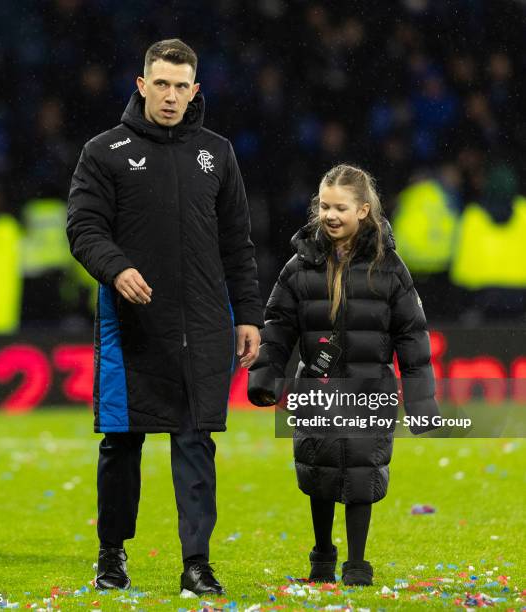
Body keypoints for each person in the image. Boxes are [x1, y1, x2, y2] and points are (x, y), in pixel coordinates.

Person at [67, 39, 263, 596]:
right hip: (132, 323)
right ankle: (112, 554)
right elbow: (84, 228)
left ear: (195, 90)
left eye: (182, 86)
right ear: (141, 84)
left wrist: (247, 315)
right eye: (162, 84)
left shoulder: (218, 154)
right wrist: (116, 268)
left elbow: (237, 243)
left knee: (197, 441)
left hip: (203, 323)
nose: (171, 96)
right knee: (122, 443)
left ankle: (196, 563)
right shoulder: (103, 151)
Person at [248, 164, 439, 586]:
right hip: (317, 388)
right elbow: (278, 326)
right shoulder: (299, 266)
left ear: (364, 211)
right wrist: (266, 375)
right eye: (325, 206)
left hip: (371, 389)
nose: (330, 215)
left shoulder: (390, 269)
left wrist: (422, 403)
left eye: (341, 207)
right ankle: (322, 552)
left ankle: (356, 561)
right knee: (319, 469)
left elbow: (412, 337)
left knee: (360, 472)